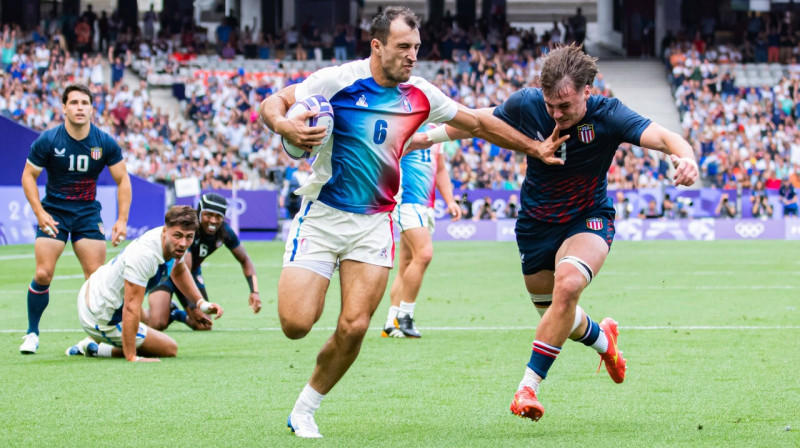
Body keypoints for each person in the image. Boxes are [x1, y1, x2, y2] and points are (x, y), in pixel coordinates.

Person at [258, 6, 565, 438]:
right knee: (296, 324)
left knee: (356, 325)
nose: (412, 56)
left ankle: (305, 409)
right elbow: (275, 101)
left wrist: (533, 148)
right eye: (403, 47)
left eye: (416, 48)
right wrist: (284, 126)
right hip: (323, 216)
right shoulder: (336, 80)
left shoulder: (420, 93)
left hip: (375, 223)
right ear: (377, 45)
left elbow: (477, 122)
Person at [415, 44, 698, 421]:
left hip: (588, 218)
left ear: (587, 90)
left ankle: (527, 388)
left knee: (568, 286)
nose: (556, 114)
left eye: (565, 106)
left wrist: (687, 158)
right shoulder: (526, 105)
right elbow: (480, 121)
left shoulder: (609, 115)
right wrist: (428, 138)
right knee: (554, 312)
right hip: (535, 226)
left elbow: (665, 138)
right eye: (550, 105)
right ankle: (604, 340)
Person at [20, 83, 132, 355]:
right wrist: (39, 212)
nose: (80, 107)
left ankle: (97, 336)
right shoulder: (48, 140)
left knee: (96, 279)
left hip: (86, 213)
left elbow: (123, 180)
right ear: (64, 108)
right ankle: (32, 333)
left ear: (92, 108)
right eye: (74, 103)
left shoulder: (104, 142)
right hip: (54, 212)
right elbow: (28, 177)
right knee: (43, 273)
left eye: (85, 103)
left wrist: (122, 220)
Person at [64, 206, 224, 361]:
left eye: (189, 237)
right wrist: (132, 356)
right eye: (178, 235)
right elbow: (131, 307)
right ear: (164, 231)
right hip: (100, 315)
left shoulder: (172, 243)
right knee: (169, 348)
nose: (183, 243)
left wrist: (201, 303)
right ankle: (93, 348)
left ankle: (99, 342)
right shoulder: (145, 255)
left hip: (96, 291)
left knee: (151, 328)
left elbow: (179, 270)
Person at [382, 127, 461, 339]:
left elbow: (440, 169)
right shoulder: (405, 124)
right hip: (405, 200)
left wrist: (450, 200)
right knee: (424, 254)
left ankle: (392, 321)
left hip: (425, 204)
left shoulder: (437, 130)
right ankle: (405, 317)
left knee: (407, 264)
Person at [144, 193, 261, 331]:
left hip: (191, 274)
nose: (213, 220)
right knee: (157, 323)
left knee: (203, 325)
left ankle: (175, 313)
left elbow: (245, 259)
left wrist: (254, 291)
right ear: (199, 212)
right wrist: (195, 306)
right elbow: (181, 269)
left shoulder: (225, 232)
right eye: (208, 215)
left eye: (218, 216)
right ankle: (139, 312)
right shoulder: (188, 227)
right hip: (167, 272)